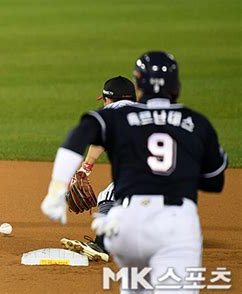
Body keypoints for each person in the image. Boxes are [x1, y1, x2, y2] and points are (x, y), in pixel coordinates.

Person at [41, 51, 227, 291]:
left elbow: (83, 132)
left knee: (110, 196)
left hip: (129, 223)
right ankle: (102, 241)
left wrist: (59, 185)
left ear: (139, 84)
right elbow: (215, 181)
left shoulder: (120, 115)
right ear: (176, 85)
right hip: (176, 224)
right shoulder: (196, 122)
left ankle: (102, 241)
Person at [58, 76, 137, 263]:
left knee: (108, 196)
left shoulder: (110, 113)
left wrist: (84, 169)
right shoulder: (147, 110)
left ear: (108, 99)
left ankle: (100, 245)